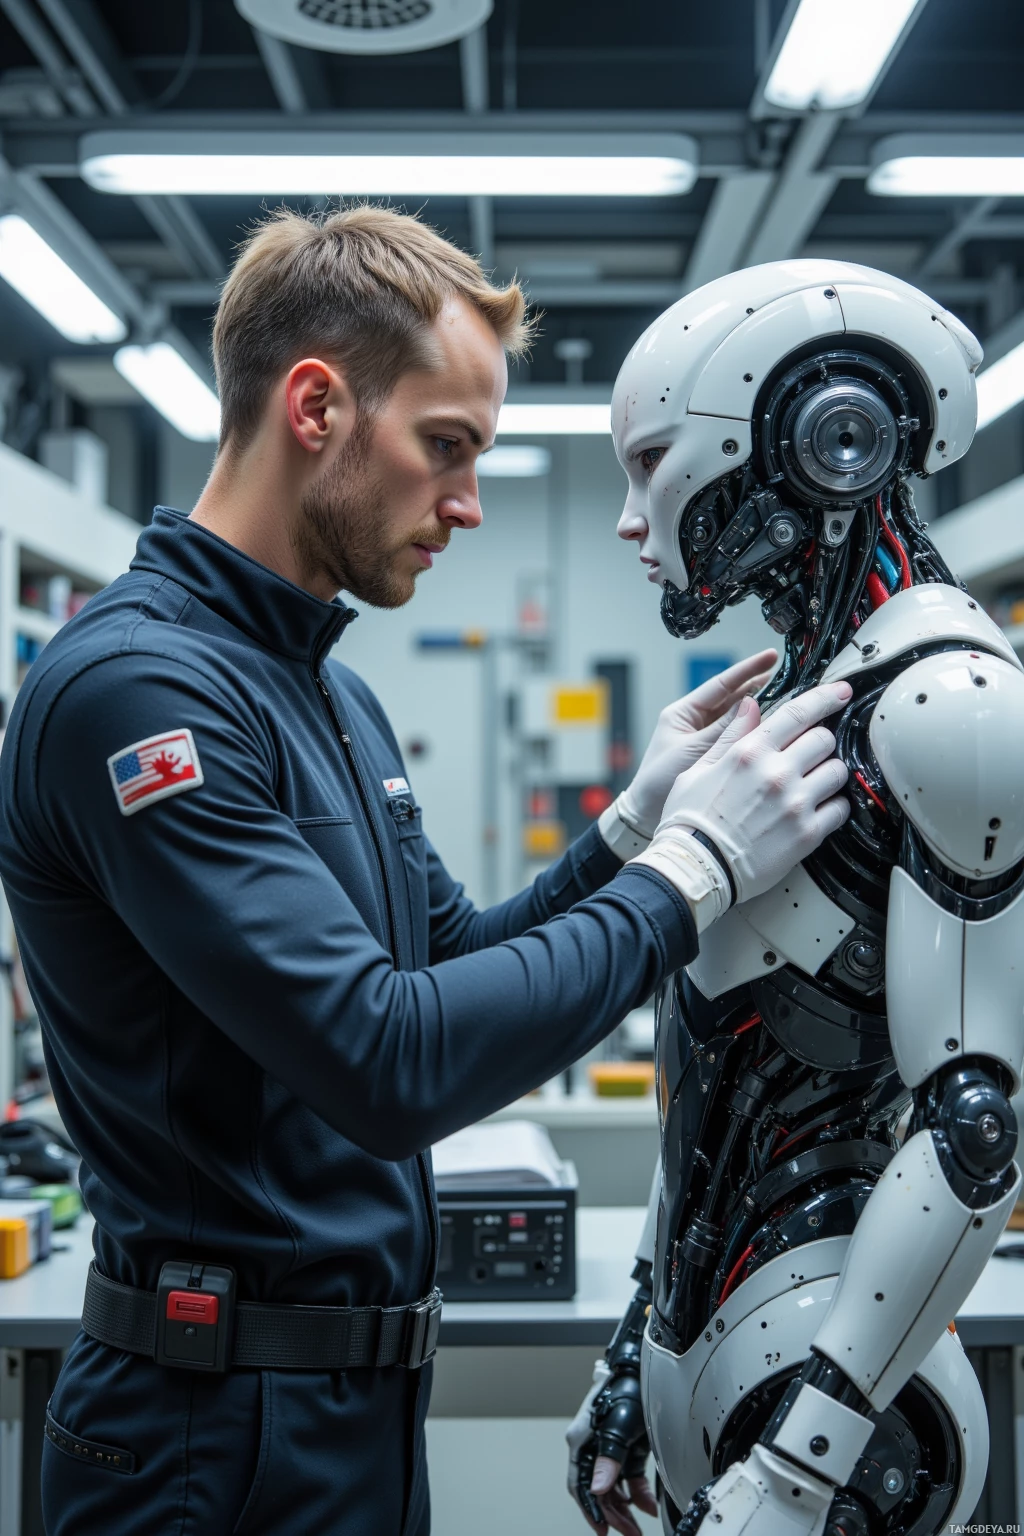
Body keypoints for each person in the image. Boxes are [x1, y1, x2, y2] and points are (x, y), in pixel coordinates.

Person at [0, 208, 851, 1536]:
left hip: (354, 1415)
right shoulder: (138, 692)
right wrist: (693, 874)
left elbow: (445, 960)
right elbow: (387, 1062)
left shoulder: (324, 693)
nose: (467, 503)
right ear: (316, 407)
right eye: (446, 446)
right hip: (202, 1440)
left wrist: (633, 830)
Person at [565, 259, 1020, 1536]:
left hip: (842, 1398)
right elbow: (714, 1072)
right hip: (728, 1345)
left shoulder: (947, 705)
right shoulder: (809, 698)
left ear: (827, 438)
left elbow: (973, 1134)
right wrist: (632, 1352)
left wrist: (800, 1466)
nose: (631, 519)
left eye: (649, 462)